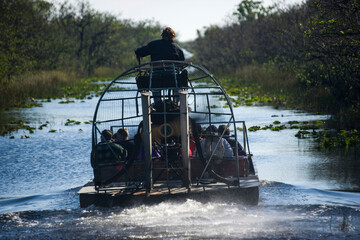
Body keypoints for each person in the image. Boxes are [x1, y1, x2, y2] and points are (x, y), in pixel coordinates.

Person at [135, 27, 185, 102]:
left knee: (155, 87)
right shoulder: (177, 48)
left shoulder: (153, 45)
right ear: (173, 36)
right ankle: (177, 103)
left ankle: (157, 104)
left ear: (162, 35)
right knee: (178, 85)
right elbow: (182, 64)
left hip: (156, 77)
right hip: (172, 77)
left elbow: (139, 52)